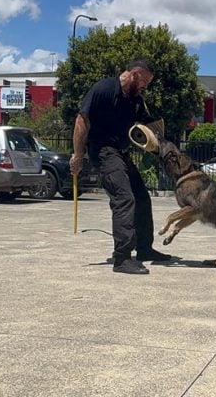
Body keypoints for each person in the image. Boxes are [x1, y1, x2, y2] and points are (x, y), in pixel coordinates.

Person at [69, 59, 171, 275]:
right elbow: (81, 121)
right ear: (134, 74)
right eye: (144, 81)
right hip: (103, 151)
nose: (146, 87)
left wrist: (158, 135)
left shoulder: (135, 100)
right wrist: (78, 155)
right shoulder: (103, 89)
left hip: (121, 152)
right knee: (124, 198)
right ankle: (122, 258)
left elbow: (146, 124)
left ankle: (144, 249)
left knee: (142, 197)